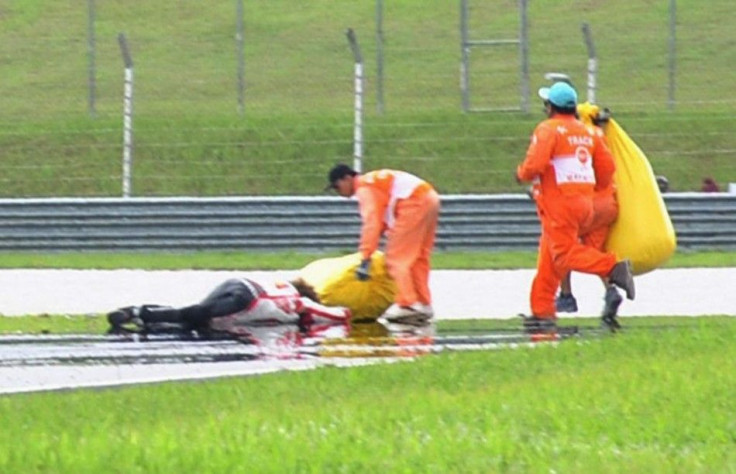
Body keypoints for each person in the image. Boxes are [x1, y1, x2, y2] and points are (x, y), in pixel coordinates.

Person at [515, 81, 635, 333]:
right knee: (548, 261)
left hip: (559, 205)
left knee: (563, 254)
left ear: (550, 107)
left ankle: (613, 268)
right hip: (585, 203)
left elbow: (534, 165)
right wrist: (591, 191)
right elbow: (607, 169)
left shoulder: (548, 129)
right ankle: (542, 314)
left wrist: (521, 174)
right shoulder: (589, 132)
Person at [325, 164, 440, 325]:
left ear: (347, 178)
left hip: (412, 203)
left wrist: (365, 256)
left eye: (337, 187)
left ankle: (408, 304)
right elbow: (381, 222)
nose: (339, 192)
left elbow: (371, 223)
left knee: (395, 259)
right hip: (429, 197)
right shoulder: (374, 182)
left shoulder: (364, 187)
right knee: (418, 258)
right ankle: (423, 302)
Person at [555, 110, 624, 330]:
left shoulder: (568, 141)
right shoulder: (599, 137)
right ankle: (611, 291)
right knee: (594, 252)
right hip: (608, 204)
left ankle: (566, 296)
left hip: (586, 205)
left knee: (561, 246)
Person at [107, 277, 351, 339]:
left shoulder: (281, 286)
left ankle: (140, 313)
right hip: (247, 299)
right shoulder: (300, 303)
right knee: (197, 316)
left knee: (195, 312)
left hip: (238, 283)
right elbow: (341, 316)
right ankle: (142, 315)